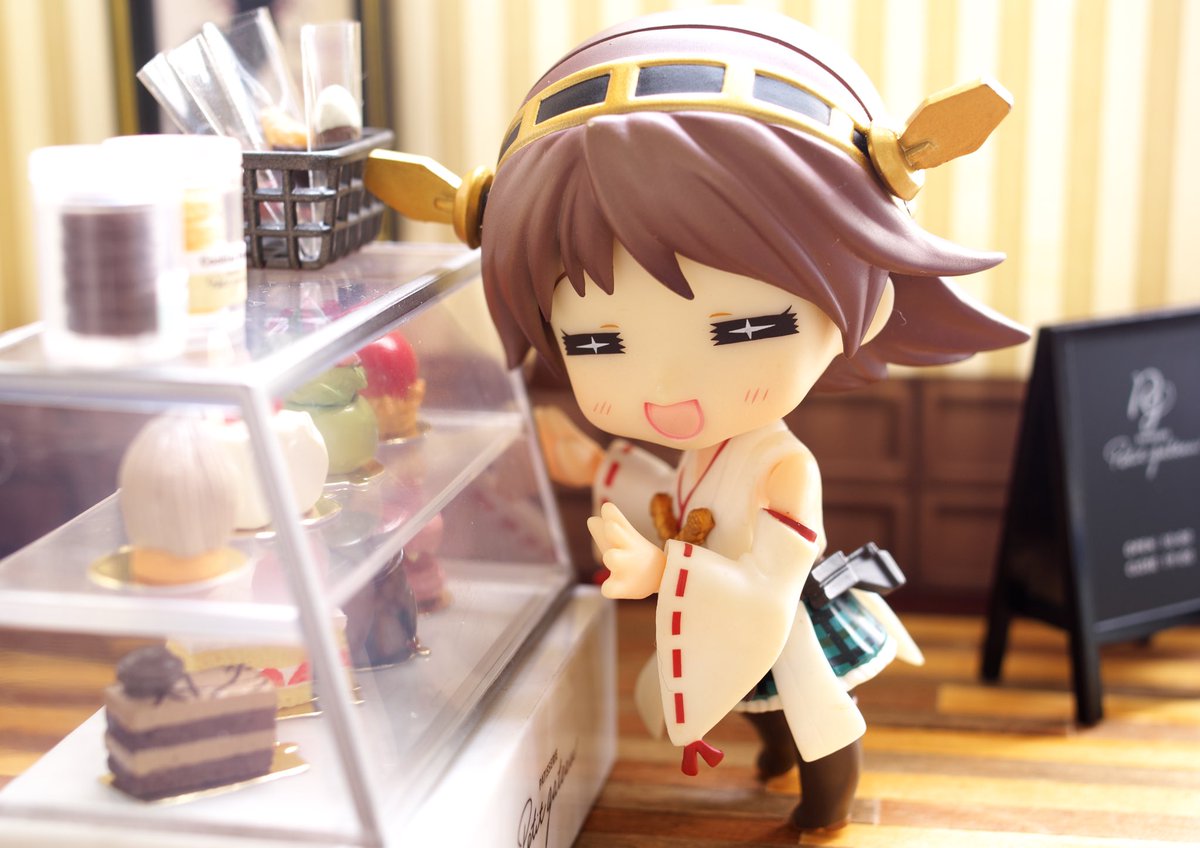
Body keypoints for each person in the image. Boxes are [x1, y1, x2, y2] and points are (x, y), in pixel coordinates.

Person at [375, 6, 1029, 832]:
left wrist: (663, 571)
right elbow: (679, 497)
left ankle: (828, 798)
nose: (667, 387)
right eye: (598, 341)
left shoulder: (784, 467)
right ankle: (776, 754)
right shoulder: (714, 449)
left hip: (779, 606)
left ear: (862, 312)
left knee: (811, 699)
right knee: (757, 698)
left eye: (744, 328)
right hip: (723, 603)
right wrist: (599, 467)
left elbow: (769, 573)